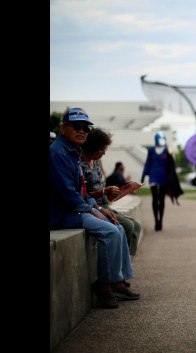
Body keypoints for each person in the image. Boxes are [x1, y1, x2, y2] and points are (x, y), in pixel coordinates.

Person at [50, 108, 140, 309]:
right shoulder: (57, 153)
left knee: (117, 227)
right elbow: (68, 195)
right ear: (64, 129)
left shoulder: (72, 151)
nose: (82, 131)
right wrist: (93, 210)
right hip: (63, 214)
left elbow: (81, 193)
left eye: (85, 128)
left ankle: (117, 281)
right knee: (109, 230)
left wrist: (98, 208)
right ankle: (103, 286)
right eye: (76, 127)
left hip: (77, 208)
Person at [80, 128, 143, 257]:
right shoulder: (80, 164)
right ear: (93, 146)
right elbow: (82, 194)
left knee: (136, 225)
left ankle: (127, 261)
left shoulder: (96, 162)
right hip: (94, 207)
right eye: (101, 149)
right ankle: (122, 263)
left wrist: (114, 192)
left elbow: (100, 187)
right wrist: (104, 191)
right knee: (128, 226)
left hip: (105, 204)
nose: (103, 153)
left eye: (105, 149)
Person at [141, 131, 184, 231]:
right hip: (153, 175)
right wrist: (144, 174)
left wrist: (171, 176)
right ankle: (156, 220)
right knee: (155, 199)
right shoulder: (151, 150)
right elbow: (148, 162)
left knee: (162, 199)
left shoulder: (168, 150)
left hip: (164, 176)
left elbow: (171, 164)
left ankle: (161, 220)